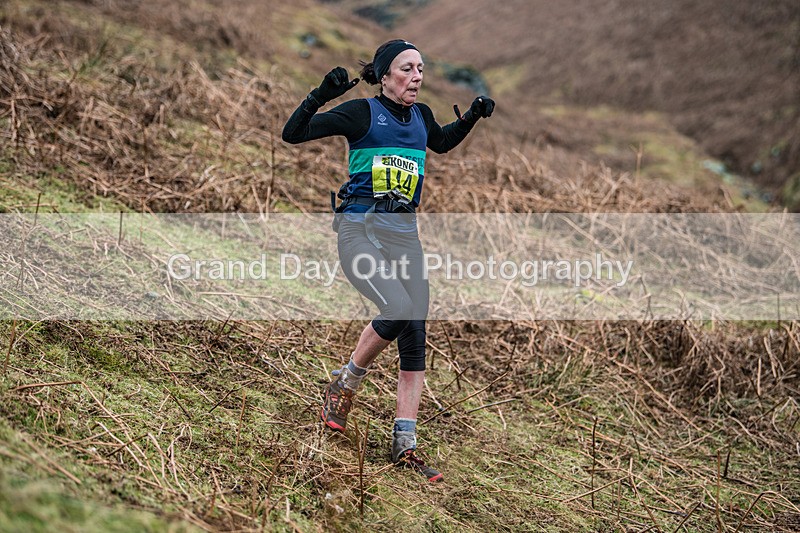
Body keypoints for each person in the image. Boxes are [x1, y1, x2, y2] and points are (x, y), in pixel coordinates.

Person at [282, 39, 494, 482]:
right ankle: (346, 382)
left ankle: (405, 444)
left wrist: (471, 115)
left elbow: (440, 142)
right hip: (359, 233)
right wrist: (320, 95)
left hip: (403, 238)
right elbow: (293, 133)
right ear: (384, 75)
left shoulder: (421, 115)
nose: (417, 76)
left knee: (414, 331)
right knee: (396, 310)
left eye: (421, 68)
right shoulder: (361, 113)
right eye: (407, 69)